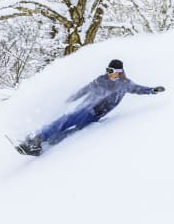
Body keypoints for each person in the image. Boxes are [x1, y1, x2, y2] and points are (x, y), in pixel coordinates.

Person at [15, 59, 165, 156]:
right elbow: (87, 88)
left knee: (73, 132)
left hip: (95, 114)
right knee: (64, 120)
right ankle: (37, 139)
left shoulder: (125, 84)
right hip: (85, 108)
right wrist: (72, 97)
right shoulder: (101, 79)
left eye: (111, 71)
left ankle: (45, 144)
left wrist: (152, 90)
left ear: (119, 73)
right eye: (107, 70)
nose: (108, 73)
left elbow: (139, 89)